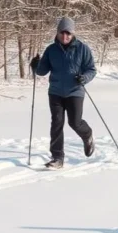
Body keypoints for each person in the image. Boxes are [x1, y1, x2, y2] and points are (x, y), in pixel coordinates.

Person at [29, 17, 97, 169]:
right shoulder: (51, 50)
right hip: (56, 92)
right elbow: (42, 71)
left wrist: (84, 78)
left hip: (75, 91)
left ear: (73, 34)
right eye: (62, 33)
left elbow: (91, 69)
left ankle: (87, 135)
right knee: (57, 123)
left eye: (68, 33)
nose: (65, 36)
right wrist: (35, 65)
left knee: (75, 122)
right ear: (58, 32)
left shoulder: (82, 49)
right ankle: (57, 157)